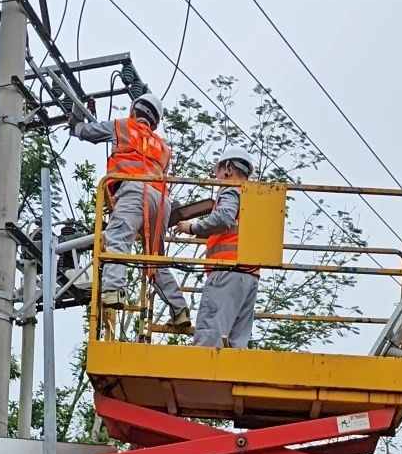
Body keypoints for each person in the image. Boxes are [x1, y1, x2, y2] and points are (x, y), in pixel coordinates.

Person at [69, 92, 191, 332]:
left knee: (118, 239)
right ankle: (180, 310)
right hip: (162, 200)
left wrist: (77, 126)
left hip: (134, 191)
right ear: (154, 122)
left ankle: (114, 290)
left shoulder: (123, 126)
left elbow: (91, 133)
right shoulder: (163, 147)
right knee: (154, 260)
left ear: (134, 111)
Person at [175, 146, 259, 349]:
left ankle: (200, 380)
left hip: (227, 272)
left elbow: (223, 217)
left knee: (209, 338)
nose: (217, 178)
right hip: (249, 277)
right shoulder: (254, 198)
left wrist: (192, 227)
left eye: (218, 172)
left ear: (228, 168)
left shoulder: (231, 189)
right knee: (235, 345)